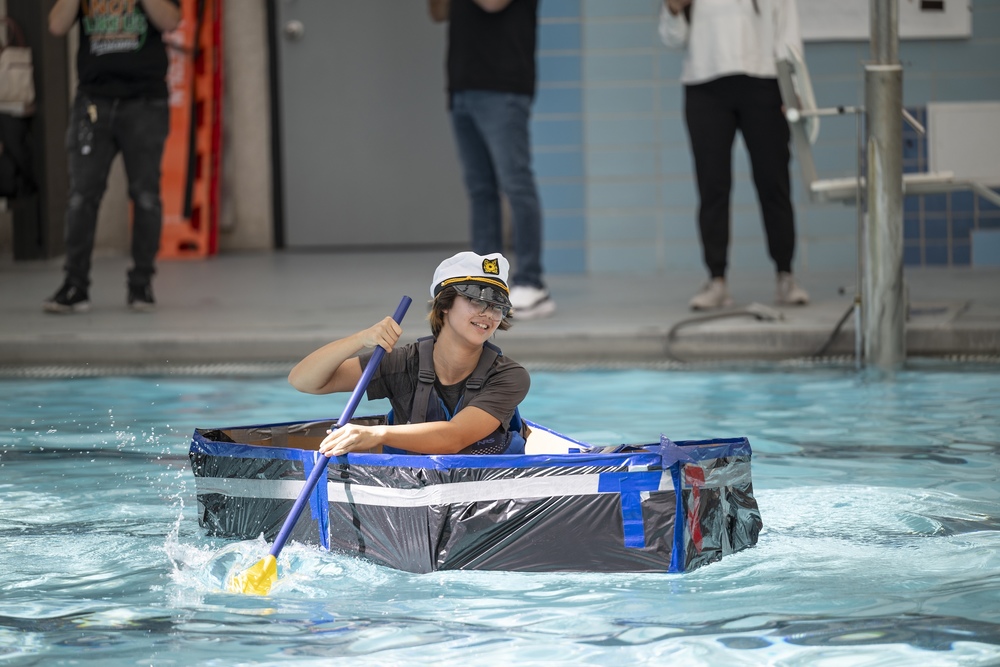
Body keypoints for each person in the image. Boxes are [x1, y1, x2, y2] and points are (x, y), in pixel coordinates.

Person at [288, 251, 530, 457]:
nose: (488, 315)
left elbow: (454, 438)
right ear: (444, 304)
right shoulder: (401, 363)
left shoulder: (509, 376)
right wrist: (361, 339)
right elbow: (304, 381)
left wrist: (376, 434)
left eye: (497, 307)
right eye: (477, 301)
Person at [659, 0, 810, 310]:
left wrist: (793, 85)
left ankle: (785, 275)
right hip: (704, 84)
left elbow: (788, 32)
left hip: (764, 82)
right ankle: (716, 280)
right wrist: (673, 10)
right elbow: (672, 38)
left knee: (773, 182)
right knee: (712, 186)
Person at [43, 0, 180, 313]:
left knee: (146, 196)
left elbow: (170, 21)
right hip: (93, 102)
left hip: (145, 102)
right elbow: (56, 25)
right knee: (81, 196)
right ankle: (75, 285)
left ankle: (141, 284)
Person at [429, 0, 555, 319]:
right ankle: (487, 283)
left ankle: (532, 282)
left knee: (516, 184)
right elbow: (438, 13)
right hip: (462, 84)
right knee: (481, 190)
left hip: (503, 85)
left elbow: (492, 3)